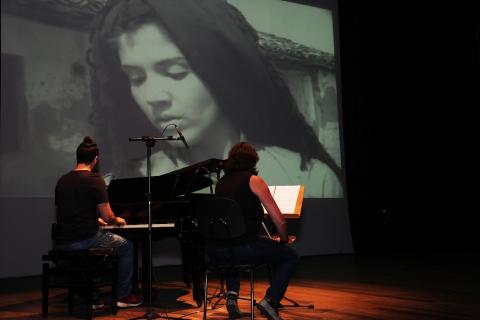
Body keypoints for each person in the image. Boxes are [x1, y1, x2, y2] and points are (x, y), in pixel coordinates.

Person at [88, 0, 343, 198]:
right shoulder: (124, 183)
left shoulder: (307, 177)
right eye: (136, 78)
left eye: (177, 72)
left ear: (221, 73)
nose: (153, 97)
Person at [211, 142, 298, 320]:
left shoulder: (220, 184)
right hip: (245, 250)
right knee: (290, 256)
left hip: (217, 252)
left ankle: (231, 295)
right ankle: (271, 300)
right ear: (253, 161)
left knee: (230, 243)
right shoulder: (254, 181)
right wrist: (283, 239)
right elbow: (279, 220)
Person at [54, 136, 143, 308]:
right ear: (95, 159)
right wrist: (117, 219)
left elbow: (69, 212)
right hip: (86, 238)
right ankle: (123, 295)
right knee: (126, 246)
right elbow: (109, 216)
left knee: (98, 249)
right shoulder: (95, 180)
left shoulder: (62, 181)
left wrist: (95, 219)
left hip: (63, 241)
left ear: (77, 157)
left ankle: (92, 296)